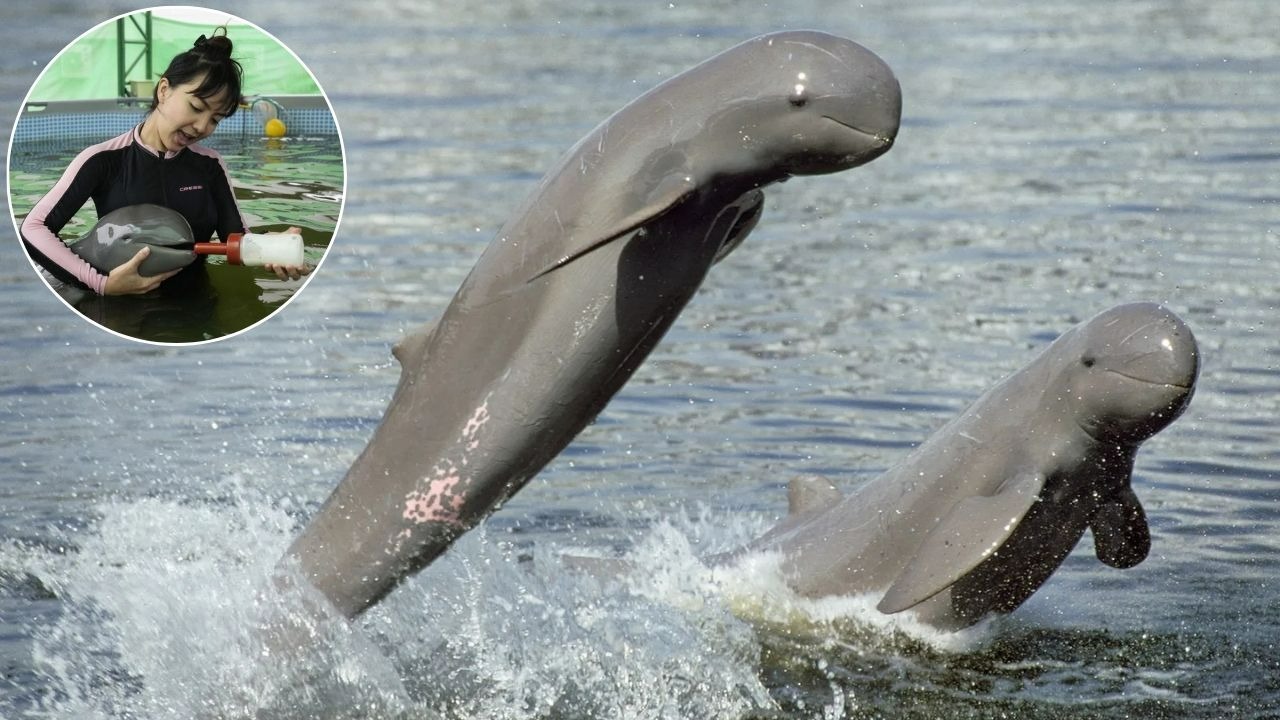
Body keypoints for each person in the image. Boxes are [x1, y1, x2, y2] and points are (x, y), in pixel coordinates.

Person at [20, 28, 310, 297]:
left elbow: (234, 237)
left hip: (194, 301)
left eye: (215, 119)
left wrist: (269, 248)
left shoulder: (209, 165)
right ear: (163, 90)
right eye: (196, 107)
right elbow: (33, 228)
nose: (201, 127)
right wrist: (102, 285)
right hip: (122, 304)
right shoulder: (103, 160)